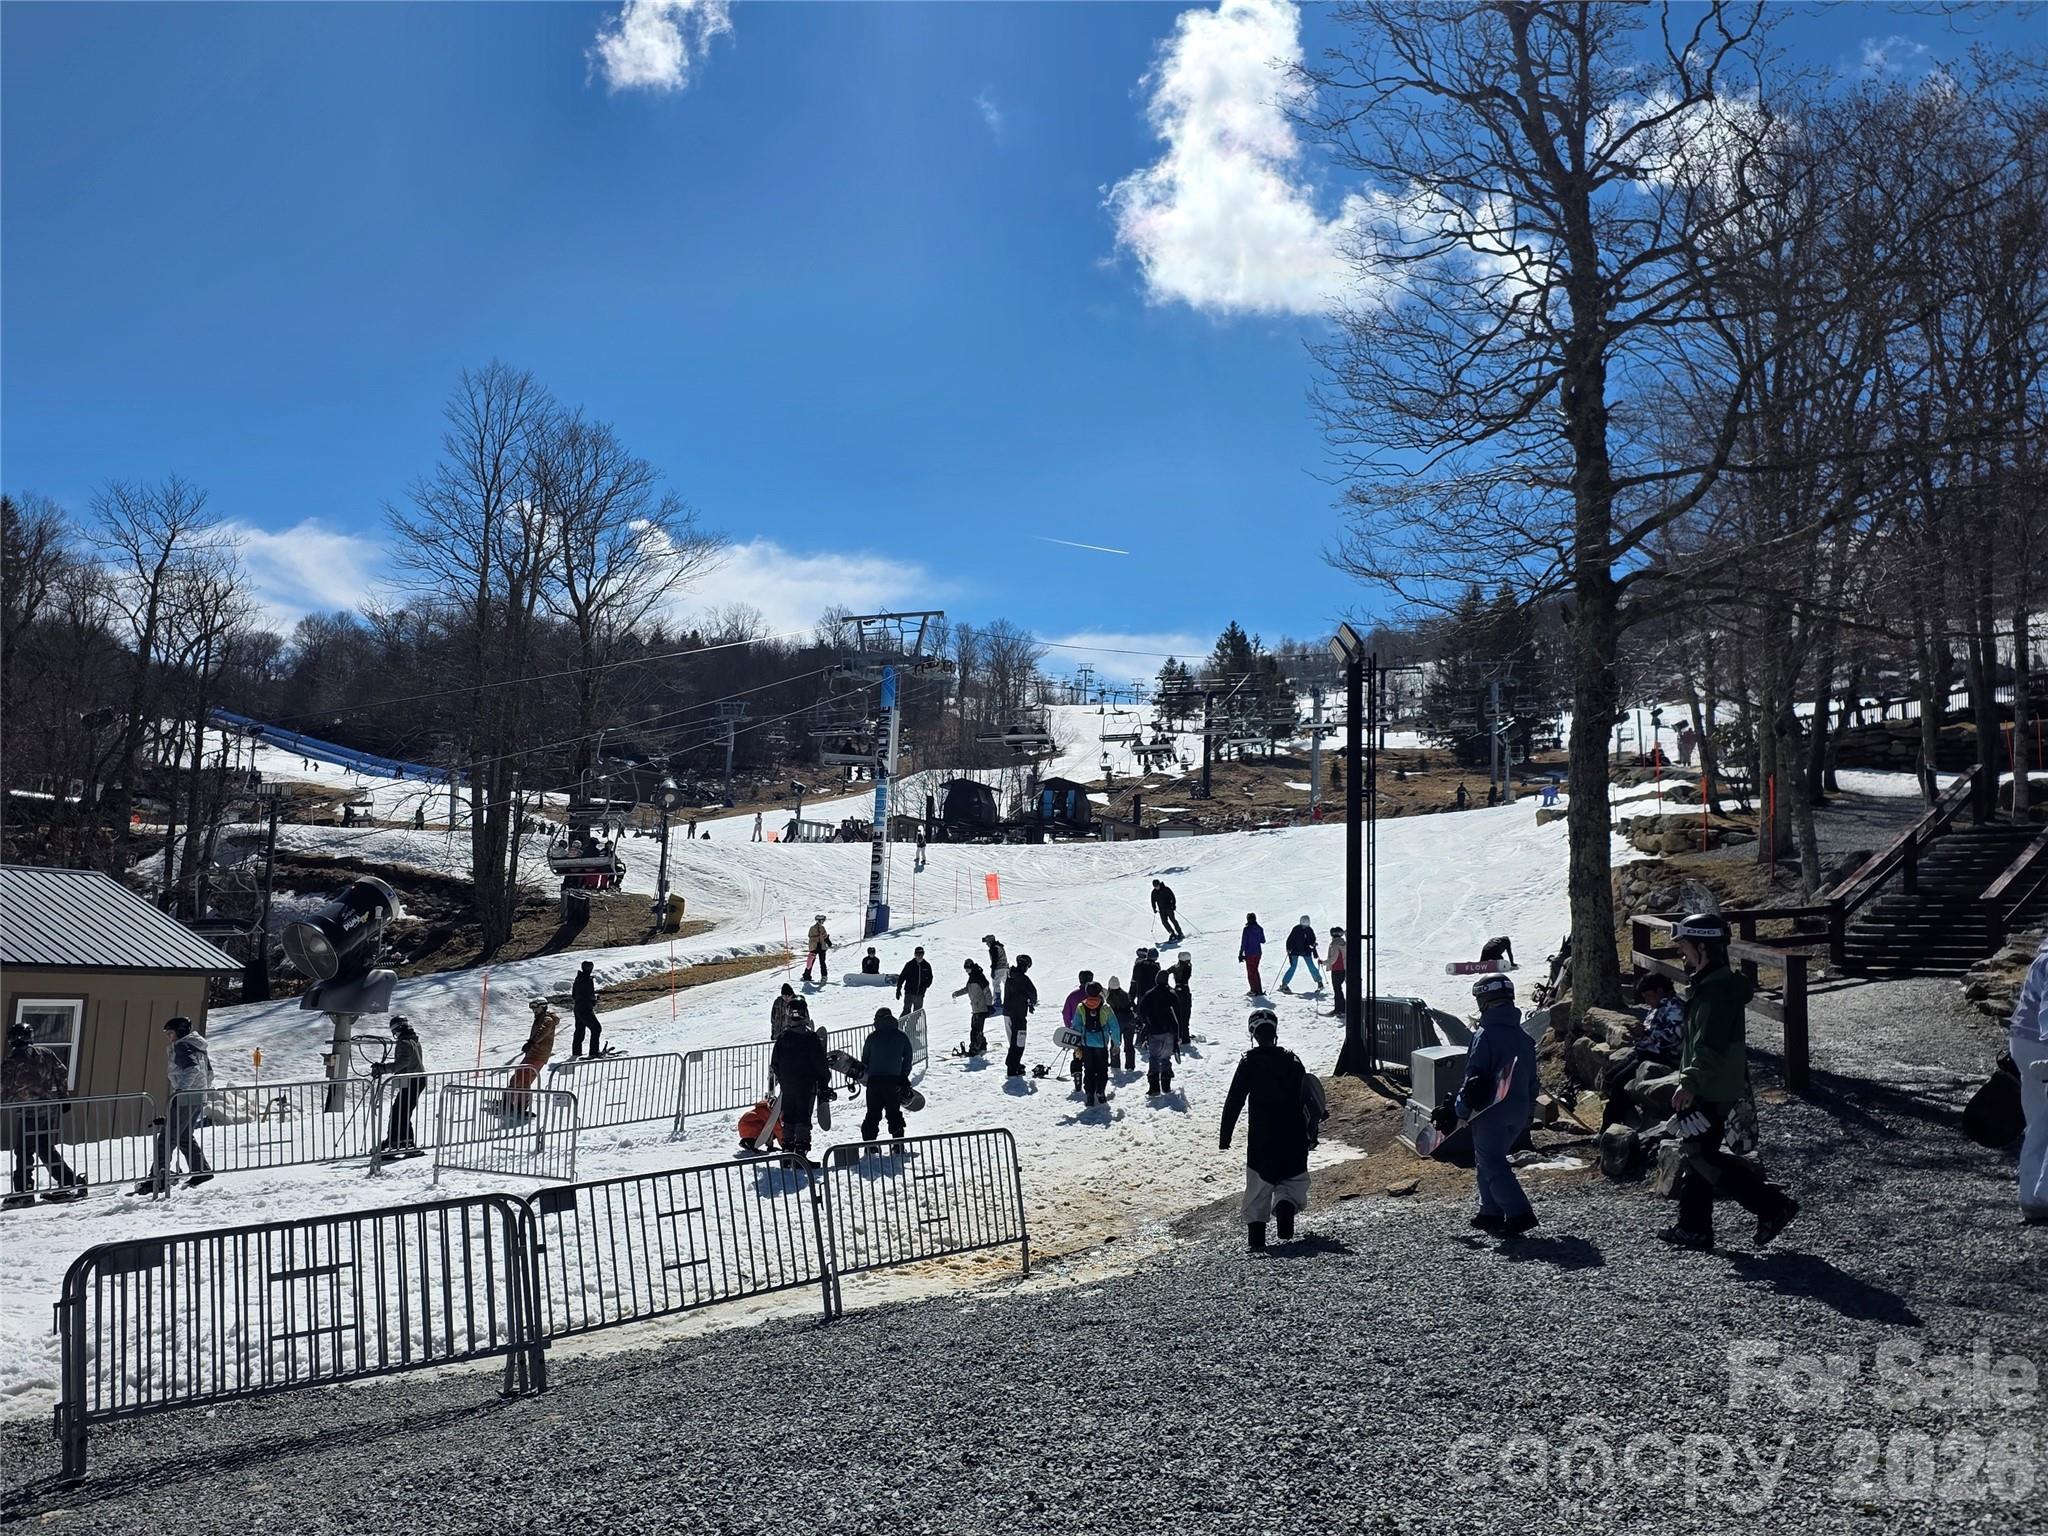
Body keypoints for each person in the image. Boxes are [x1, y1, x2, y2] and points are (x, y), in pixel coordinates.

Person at [1660, 912, 1799, 1251]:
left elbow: (1710, 1043)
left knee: (1700, 1154)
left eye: (1685, 945)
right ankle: (1694, 1228)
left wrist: (1689, 1081)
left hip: (1712, 1084)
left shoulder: (1716, 990)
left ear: (1702, 947)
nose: (1682, 952)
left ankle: (1771, 1205)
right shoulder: (1712, 984)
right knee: (1698, 1152)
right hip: (1717, 1081)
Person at [1443, 974, 1539, 1238]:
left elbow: (1474, 1078)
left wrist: (1459, 1110)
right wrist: (1529, 1112)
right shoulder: (1523, 1037)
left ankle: (1519, 1212)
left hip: (1491, 1111)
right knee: (1486, 1158)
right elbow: (1533, 1080)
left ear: (1484, 1001)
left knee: (1492, 1161)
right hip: (1518, 1110)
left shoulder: (1484, 1035)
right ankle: (1490, 1211)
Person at [1219, 1010, 1322, 1250]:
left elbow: (1234, 1099)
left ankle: (1257, 1241)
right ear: (1275, 1032)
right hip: (1294, 1132)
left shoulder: (1249, 1062)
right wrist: (1312, 1130)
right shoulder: (1292, 1059)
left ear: (1253, 1034)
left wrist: (1225, 1136)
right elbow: (1310, 1096)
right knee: (1292, 1180)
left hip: (1262, 1136)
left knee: (1259, 1185)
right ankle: (1285, 1210)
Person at [2, 1022, 80, 1200]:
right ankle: (68, 1182)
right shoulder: (46, 1053)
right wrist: (63, 1096)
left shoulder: (12, 1062)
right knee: (44, 1147)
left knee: (24, 1151)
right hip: (49, 1108)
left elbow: (3, 1087)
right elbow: (61, 1072)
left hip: (30, 1112)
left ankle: (24, 1191)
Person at [1600, 973, 1687, 1129]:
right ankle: (1629, 1117)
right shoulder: (1657, 1008)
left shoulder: (1675, 1008)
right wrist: (1640, 1033)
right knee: (1608, 1077)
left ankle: (1609, 1124)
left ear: (1660, 991)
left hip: (1664, 1055)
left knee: (1618, 1081)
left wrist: (1646, 1034)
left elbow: (1673, 1038)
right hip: (1646, 1050)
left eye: (1648, 996)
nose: (1646, 1001)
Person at [145, 1015, 214, 1188]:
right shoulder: (198, 1046)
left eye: (170, 1033)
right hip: (198, 1096)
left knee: (167, 1138)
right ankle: (201, 1171)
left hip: (186, 1098)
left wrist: (180, 1091)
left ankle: (158, 1178)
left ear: (180, 1032)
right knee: (183, 1136)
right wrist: (201, 1090)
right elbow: (209, 1073)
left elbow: (192, 1068)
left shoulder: (182, 1045)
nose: (169, 1037)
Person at [2011, 932, 2048, 1224]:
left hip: (2023, 1040)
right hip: (2042, 1044)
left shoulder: (2042, 956)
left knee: (2038, 1120)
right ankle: (2044, 1194)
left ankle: (2031, 1197)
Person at [769, 1008, 830, 1167]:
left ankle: (787, 1153)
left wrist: (783, 1079)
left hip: (788, 1085)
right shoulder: (810, 1037)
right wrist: (824, 1080)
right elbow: (819, 1062)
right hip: (806, 1085)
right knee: (803, 1118)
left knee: (789, 1117)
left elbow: (775, 1062)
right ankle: (800, 1154)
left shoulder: (783, 1038)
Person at [860, 1007, 917, 1149]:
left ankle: (870, 1145)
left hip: (874, 1082)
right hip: (894, 1082)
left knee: (872, 1114)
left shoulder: (872, 1037)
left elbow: (865, 1060)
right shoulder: (901, 1036)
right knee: (894, 1113)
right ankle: (898, 1144)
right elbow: (908, 1059)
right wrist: (903, 1076)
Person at [373, 1017, 426, 1154]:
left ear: (398, 1029)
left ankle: (399, 1143)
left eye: (394, 1032)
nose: (395, 1035)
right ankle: (399, 1141)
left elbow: (403, 1062)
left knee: (399, 1112)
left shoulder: (404, 1043)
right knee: (401, 1112)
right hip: (415, 1079)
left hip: (411, 1080)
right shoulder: (413, 1041)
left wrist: (383, 1068)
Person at [1072, 982, 1120, 1107]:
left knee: (1089, 1070)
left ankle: (1089, 1094)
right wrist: (1116, 1044)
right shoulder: (1105, 1007)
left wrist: (1077, 1044)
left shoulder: (1081, 1007)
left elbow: (1076, 1026)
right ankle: (1100, 1091)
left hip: (1086, 1044)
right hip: (1101, 1044)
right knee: (1102, 1069)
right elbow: (1114, 1027)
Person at [1138, 974, 1181, 1095]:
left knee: (1154, 1058)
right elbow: (1178, 1015)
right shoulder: (1171, 994)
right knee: (1166, 1058)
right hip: (1169, 1031)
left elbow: (1141, 1011)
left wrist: (1146, 1023)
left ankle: (1154, 1087)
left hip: (1154, 1031)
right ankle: (1166, 1085)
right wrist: (1178, 1034)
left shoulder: (1149, 994)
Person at [1002, 954, 1038, 1078]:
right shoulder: (1023, 979)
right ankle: (1013, 1067)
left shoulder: (1010, 975)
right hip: (1018, 1014)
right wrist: (1031, 1002)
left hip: (1007, 1013)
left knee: (1013, 1040)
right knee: (1019, 1042)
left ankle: (1013, 1064)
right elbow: (1033, 994)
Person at [954, 959, 994, 1055]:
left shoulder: (979, 977)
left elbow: (987, 992)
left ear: (971, 967)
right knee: (976, 1029)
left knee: (976, 1030)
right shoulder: (972, 977)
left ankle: (975, 1049)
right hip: (976, 1008)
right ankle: (982, 1046)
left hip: (982, 1007)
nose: (967, 972)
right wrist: (957, 993)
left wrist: (989, 1006)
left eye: (967, 969)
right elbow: (967, 989)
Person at [1279, 916, 1322, 994]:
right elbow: (1290, 940)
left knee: (1310, 965)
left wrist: (1313, 945)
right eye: (1304, 925)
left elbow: (1312, 939)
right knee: (1294, 966)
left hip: (1305, 951)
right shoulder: (1296, 929)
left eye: (1306, 925)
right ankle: (1284, 984)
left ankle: (1319, 982)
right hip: (1295, 951)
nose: (1305, 926)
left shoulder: (1309, 930)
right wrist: (1289, 948)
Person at [570, 959, 602, 1058]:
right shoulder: (588, 980)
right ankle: (594, 1052)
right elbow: (590, 995)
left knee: (580, 1030)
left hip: (578, 1007)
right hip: (585, 1008)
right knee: (596, 1028)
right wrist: (594, 1000)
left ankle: (576, 1052)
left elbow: (574, 994)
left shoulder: (578, 978)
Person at [1106, 976, 1135, 1070]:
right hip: (1129, 1021)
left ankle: (1115, 1064)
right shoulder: (1126, 994)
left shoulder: (1109, 997)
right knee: (1129, 1044)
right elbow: (1133, 1006)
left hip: (1116, 1022)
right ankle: (1130, 1065)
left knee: (1115, 1043)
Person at [895, 946, 933, 1016]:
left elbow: (930, 978)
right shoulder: (909, 965)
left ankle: (912, 1027)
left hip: (920, 994)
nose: (919, 956)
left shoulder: (926, 965)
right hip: (909, 993)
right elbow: (902, 977)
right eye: (918, 954)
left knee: (917, 1014)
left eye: (921, 954)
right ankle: (900, 1026)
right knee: (906, 1011)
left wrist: (924, 987)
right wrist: (898, 989)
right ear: (915, 954)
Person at [1238, 913, 1266, 998]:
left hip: (1250, 953)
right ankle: (1259, 990)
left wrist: (1240, 954)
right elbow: (1263, 940)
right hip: (1258, 952)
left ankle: (1254, 990)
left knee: (1251, 972)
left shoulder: (1247, 929)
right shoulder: (1259, 928)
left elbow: (1244, 943)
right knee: (1255, 970)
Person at [1170, 951, 1194, 1046]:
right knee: (1186, 1014)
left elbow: (1166, 972)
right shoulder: (1187, 967)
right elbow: (1185, 978)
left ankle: (1178, 1035)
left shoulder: (1175, 967)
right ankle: (1185, 1037)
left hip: (1176, 991)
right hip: (1184, 991)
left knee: (1177, 1014)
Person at [1326, 927, 1348, 1018]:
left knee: (1337, 990)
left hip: (1336, 969)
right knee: (1339, 989)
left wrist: (1324, 962)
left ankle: (1339, 1009)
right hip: (1344, 969)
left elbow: (1333, 959)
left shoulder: (1335, 944)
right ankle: (1342, 1008)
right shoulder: (1344, 943)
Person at [804, 914, 832, 983]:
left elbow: (824, 936)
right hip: (817, 947)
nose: (822, 922)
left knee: (815, 962)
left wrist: (828, 942)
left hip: (818, 947)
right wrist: (827, 942)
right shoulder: (816, 928)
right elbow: (812, 937)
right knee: (816, 962)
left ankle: (808, 975)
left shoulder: (818, 928)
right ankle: (809, 975)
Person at [983, 935, 1009, 1002]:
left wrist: (993, 970)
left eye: (987, 942)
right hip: (1006, 968)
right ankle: (1011, 999)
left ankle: (997, 1001)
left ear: (990, 941)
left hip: (998, 969)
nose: (986, 944)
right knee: (1007, 985)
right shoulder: (999, 946)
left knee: (996, 984)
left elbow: (995, 960)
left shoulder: (993, 948)